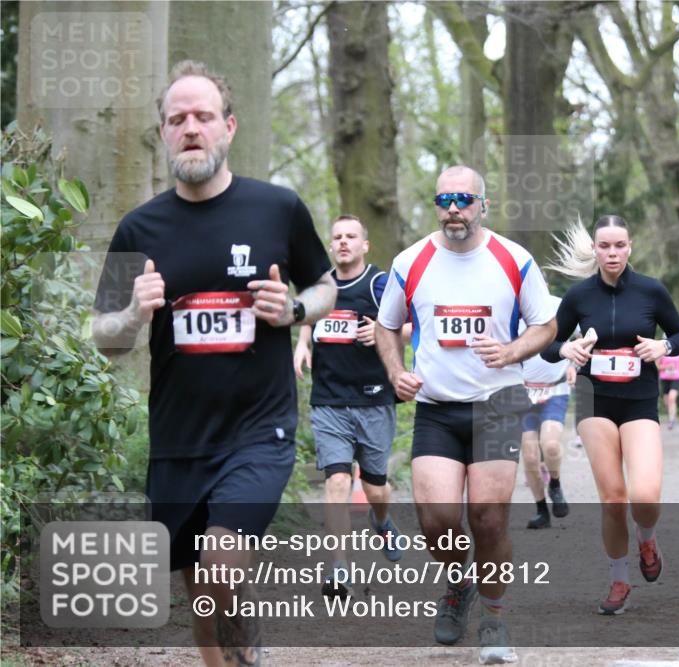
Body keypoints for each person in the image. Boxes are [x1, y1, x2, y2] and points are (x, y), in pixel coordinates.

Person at [92, 60, 336, 666]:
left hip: (260, 430)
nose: (191, 128)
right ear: (164, 134)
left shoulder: (277, 209)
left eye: (203, 116)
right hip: (177, 439)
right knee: (201, 594)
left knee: (221, 564)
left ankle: (248, 653)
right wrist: (131, 316)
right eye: (177, 119)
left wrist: (294, 311)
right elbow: (105, 336)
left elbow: (326, 285)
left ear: (229, 127)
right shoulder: (137, 228)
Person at [375, 165, 556, 665]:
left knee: (489, 517)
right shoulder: (410, 261)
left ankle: (494, 618)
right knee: (436, 520)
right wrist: (395, 373)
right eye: (444, 200)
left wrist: (513, 351)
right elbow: (385, 327)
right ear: (435, 205)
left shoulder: (513, 259)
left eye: (463, 199)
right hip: (436, 408)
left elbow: (546, 323)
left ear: (483, 204)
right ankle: (460, 581)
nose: (453, 208)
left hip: (498, 404)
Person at [542, 215, 679, 615]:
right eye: (604, 246)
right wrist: (564, 350)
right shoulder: (578, 296)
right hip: (595, 401)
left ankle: (647, 537)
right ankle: (620, 579)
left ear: (630, 247)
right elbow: (548, 344)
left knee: (644, 496)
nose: (612, 253)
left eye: (619, 245)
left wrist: (663, 348)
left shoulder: (650, 291)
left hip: (639, 400)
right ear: (595, 249)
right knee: (612, 498)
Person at [293, 214, 404, 600]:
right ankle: (338, 565)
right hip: (329, 401)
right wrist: (303, 343)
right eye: (337, 236)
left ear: (364, 245)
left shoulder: (379, 283)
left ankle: (383, 520)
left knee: (376, 488)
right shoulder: (322, 283)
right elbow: (312, 313)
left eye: (351, 236)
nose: (343, 242)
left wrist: (381, 331)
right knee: (338, 481)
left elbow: (411, 324)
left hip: (374, 400)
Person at [520, 293, 575, 529]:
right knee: (530, 455)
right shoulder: (511, 310)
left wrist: (574, 364)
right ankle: (541, 509)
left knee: (550, 444)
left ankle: (555, 483)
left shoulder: (559, 306)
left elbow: (583, 336)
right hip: (522, 392)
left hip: (556, 389)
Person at [657, 352, 679, 429]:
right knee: (667, 402)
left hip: (676, 379)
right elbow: (657, 366)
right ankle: (672, 416)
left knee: (672, 398)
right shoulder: (662, 351)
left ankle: (672, 420)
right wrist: (667, 366)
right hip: (665, 379)